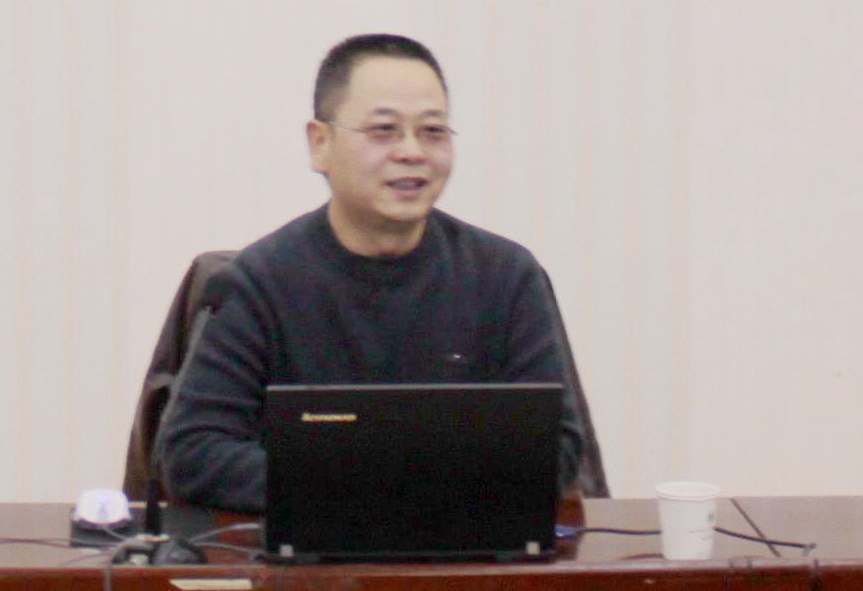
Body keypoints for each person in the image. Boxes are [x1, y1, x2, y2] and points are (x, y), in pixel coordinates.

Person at [156, 34, 589, 512]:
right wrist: (368, 488)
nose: (412, 152)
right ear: (320, 144)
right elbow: (192, 452)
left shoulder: (506, 276)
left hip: (467, 545)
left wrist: (389, 485)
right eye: (384, 130)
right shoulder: (257, 283)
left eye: (433, 131)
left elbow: (560, 448)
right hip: (309, 545)